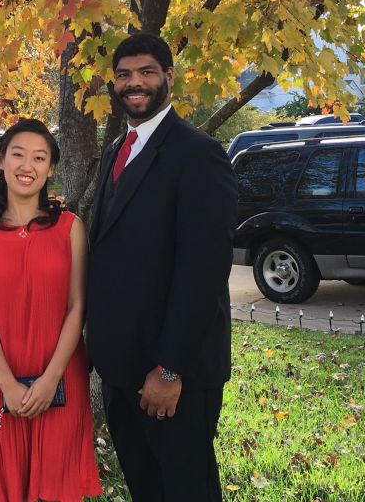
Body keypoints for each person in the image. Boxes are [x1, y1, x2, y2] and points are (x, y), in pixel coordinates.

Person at [86, 33, 238, 501]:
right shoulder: (116, 149)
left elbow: (203, 273)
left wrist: (170, 369)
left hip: (173, 376)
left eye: (146, 72)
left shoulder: (198, 154)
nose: (135, 83)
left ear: (169, 77)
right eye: (124, 75)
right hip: (122, 369)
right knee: (146, 488)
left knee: (186, 490)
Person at [0, 118, 102, 502]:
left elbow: (77, 307)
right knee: (7, 482)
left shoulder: (71, 228)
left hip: (60, 374)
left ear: (51, 168)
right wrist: (7, 384)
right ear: (1, 160)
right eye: (18, 155)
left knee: (57, 484)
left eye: (39, 158)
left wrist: (50, 379)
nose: (28, 166)